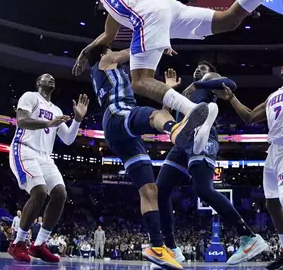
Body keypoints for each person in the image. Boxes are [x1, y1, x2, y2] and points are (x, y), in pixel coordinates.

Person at [49, 0, 283, 154]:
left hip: (149, 16)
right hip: (164, 10)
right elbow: (107, 37)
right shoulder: (110, 5)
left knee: (140, 81)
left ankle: (193, 112)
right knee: (228, 21)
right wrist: (85, 52)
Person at [214, 20, 283, 270]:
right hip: (274, 150)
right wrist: (231, 98)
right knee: (272, 202)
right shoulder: (274, 95)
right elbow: (248, 117)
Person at [87, 45, 207, 270]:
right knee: (156, 115)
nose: (115, 53)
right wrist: (158, 43)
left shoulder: (109, 69)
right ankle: (175, 130)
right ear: (103, 53)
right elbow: (134, 50)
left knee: (150, 190)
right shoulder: (103, 63)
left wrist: (168, 91)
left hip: (124, 135)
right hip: (117, 113)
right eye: (110, 49)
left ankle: (157, 248)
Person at [155, 64, 268, 266]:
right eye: (197, 68)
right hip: (182, 142)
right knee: (160, 191)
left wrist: (198, 83)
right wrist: (169, 91)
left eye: (203, 67)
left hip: (205, 136)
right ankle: (171, 248)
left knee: (203, 189)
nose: (199, 69)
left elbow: (230, 84)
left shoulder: (206, 82)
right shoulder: (185, 93)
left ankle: (249, 237)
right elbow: (164, 114)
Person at [7, 74, 89, 263]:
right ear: (38, 83)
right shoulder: (30, 97)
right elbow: (22, 121)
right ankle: (18, 243)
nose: (51, 79)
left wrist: (77, 119)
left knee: (60, 193)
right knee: (40, 193)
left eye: (53, 78)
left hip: (45, 157)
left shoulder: (57, 109)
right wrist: (47, 123)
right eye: (46, 78)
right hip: (24, 149)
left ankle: (38, 245)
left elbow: (68, 139)